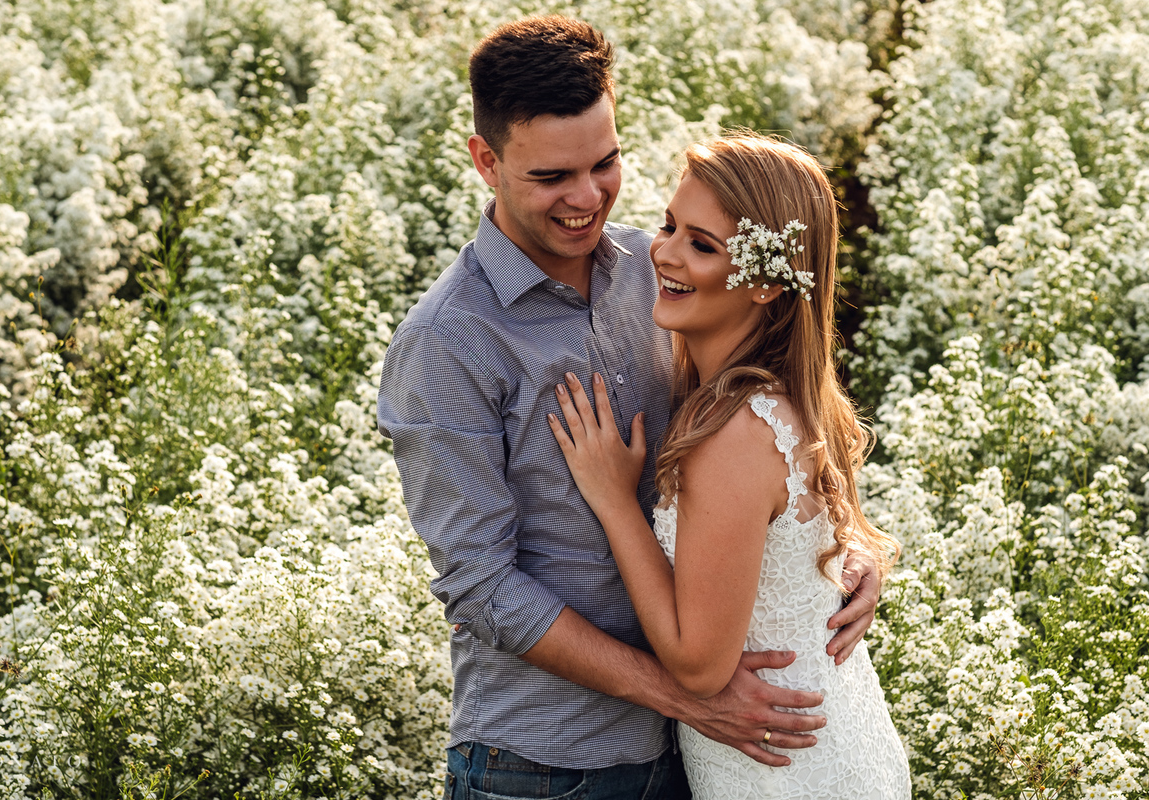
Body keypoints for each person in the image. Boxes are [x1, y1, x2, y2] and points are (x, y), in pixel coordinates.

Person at [377, 16, 884, 800]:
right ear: (486, 161)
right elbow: (480, 586)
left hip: (701, 754)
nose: (587, 199)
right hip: (546, 764)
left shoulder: (662, 275)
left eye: (605, 163)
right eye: (551, 177)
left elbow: (771, 430)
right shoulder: (448, 343)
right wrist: (686, 693)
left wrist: (844, 556)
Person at [546, 132, 911, 798]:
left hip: (784, 773)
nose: (664, 252)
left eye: (702, 245)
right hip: (833, 747)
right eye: (669, 225)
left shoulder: (735, 434)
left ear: (769, 284)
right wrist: (855, 558)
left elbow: (699, 668)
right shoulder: (781, 398)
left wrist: (612, 500)